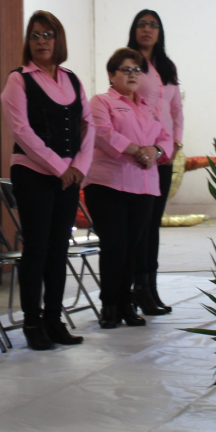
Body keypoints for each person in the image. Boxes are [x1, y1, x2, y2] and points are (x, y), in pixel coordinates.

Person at [0, 10, 94, 350]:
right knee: (37, 249)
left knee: (58, 250)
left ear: (59, 40)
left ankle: (54, 320)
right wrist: (60, 166)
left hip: (69, 178)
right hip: (33, 174)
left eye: (48, 35)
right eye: (35, 35)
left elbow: (88, 125)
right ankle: (32, 323)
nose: (41, 41)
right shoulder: (18, 79)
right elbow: (21, 131)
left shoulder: (72, 79)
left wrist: (80, 166)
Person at [85, 48, 172, 329]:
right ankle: (110, 305)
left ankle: (127, 303)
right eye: (126, 69)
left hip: (144, 186)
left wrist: (155, 151)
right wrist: (137, 151)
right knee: (114, 247)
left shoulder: (149, 107)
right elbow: (104, 133)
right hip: (108, 184)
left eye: (137, 70)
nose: (133, 75)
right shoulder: (101, 102)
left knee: (133, 249)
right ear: (112, 75)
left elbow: (166, 138)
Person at [128, 9, 183, 315]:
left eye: (153, 25)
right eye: (142, 24)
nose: (147, 29)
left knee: (154, 225)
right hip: (141, 155)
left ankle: (151, 288)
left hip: (164, 155)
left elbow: (176, 109)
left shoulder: (167, 67)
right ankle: (139, 288)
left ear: (160, 32)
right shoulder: (129, 62)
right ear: (134, 30)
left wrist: (176, 142)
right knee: (142, 224)